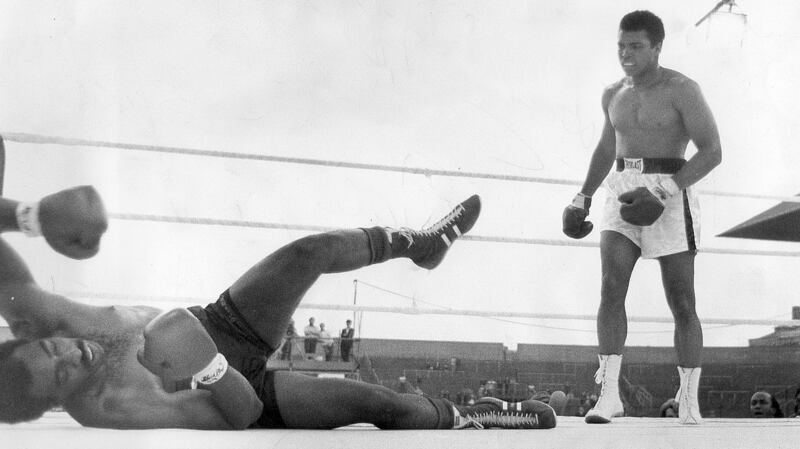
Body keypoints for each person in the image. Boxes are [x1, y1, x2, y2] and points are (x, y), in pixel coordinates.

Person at [0, 186, 557, 430]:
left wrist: (27, 216)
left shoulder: (37, 311)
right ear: (58, 400)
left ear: (27, 334)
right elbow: (237, 417)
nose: (74, 351)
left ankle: (423, 244)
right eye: (65, 374)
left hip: (220, 321)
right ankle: (476, 415)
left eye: (52, 348)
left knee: (307, 253)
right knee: (380, 406)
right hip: (234, 390)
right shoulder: (112, 405)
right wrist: (209, 366)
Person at [562, 10, 722, 425]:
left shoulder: (682, 89)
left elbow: (711, 151)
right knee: (610, 286)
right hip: (622, 186)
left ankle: (688, 399)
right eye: (621, 46)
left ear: (656, 47)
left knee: (682, 300)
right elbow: (605, 148)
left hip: (671, 186)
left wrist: (665, 190)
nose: (626, 54)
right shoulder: (612, 93)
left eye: (635, 46)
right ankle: (609, 395)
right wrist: (582, 197)